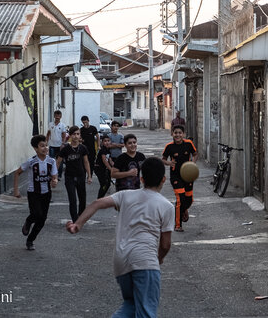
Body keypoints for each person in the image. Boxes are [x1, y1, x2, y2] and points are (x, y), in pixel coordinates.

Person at [66, 157, 174, 318]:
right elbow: (165, 245)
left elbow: (96, 203)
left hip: (121, 261)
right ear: (164, 179)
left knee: (131, 305)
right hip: (145, 262)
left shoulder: (126, 195)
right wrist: (159, 259)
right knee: (146, 311)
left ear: (142, 179)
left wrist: (78, 224)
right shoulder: (166, 206)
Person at [13, 134, 58, 250]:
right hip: (33, 193)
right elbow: (17, 173)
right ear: (35, 148)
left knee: (42, 220)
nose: (45, 148)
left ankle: (30, 240)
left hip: (46, 193)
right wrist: (16, 190)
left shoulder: (51, 161)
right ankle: (28, 221)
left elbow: (54, 176)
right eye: (42, 146)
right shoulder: (31, 162)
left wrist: (54, 181)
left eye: (46, 145)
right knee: (36, 214)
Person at [161, 124, 198, 232]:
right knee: (180, 199)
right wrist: (169, 163)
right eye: (175, 133)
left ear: (183, 134)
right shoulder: (169, 147)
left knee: (189, 200)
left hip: (188, 175)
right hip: (176, 176)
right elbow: (163, 159)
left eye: (180, 133)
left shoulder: (189, 144)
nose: (177, 135)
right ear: (172, 134)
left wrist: (192, 164)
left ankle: (183, 210)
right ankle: (178, 225)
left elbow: (195, 154)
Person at [57, 126, 92, 222]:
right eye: (74, 134)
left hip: (81, 176)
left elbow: (86, 162)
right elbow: (58, 162)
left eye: (78, 134)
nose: (76, 136)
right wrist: (54, 176)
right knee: (72, 200)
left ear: (80, 135)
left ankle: (80, 217)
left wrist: (89, 176)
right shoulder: (65, 149)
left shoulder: (83, 148)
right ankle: (75, 220)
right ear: (71, 135)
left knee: (82, 199)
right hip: (69, 177)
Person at [47, 110, 66, 179]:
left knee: (59, 161)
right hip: (52, 145)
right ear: (54, 116)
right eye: (56, 116)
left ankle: (59, 174)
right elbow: (48, 134)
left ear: (60, 117)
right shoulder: (50, 124)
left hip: (59, 146)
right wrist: (46, 143)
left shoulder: (63, 125)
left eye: (59, 116)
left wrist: (63, 144)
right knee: (51, 160)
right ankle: (52, 174)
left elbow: (64, 135)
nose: (57, 118)